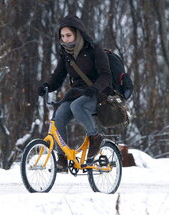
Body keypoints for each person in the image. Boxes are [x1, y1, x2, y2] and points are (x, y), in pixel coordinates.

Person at [37, 15, 113, 172]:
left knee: (77, 106)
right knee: (59, 115)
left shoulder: (94, 50)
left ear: (78, 34)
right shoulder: (66, 54)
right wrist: (46, 86)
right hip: (77, 92)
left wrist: (95, 88)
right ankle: (62, 158)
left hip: (98, 94)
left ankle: (95, 138)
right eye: (62, 36)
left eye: (68, 35)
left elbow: (106, 75)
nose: (65, 39)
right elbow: (58, 76)